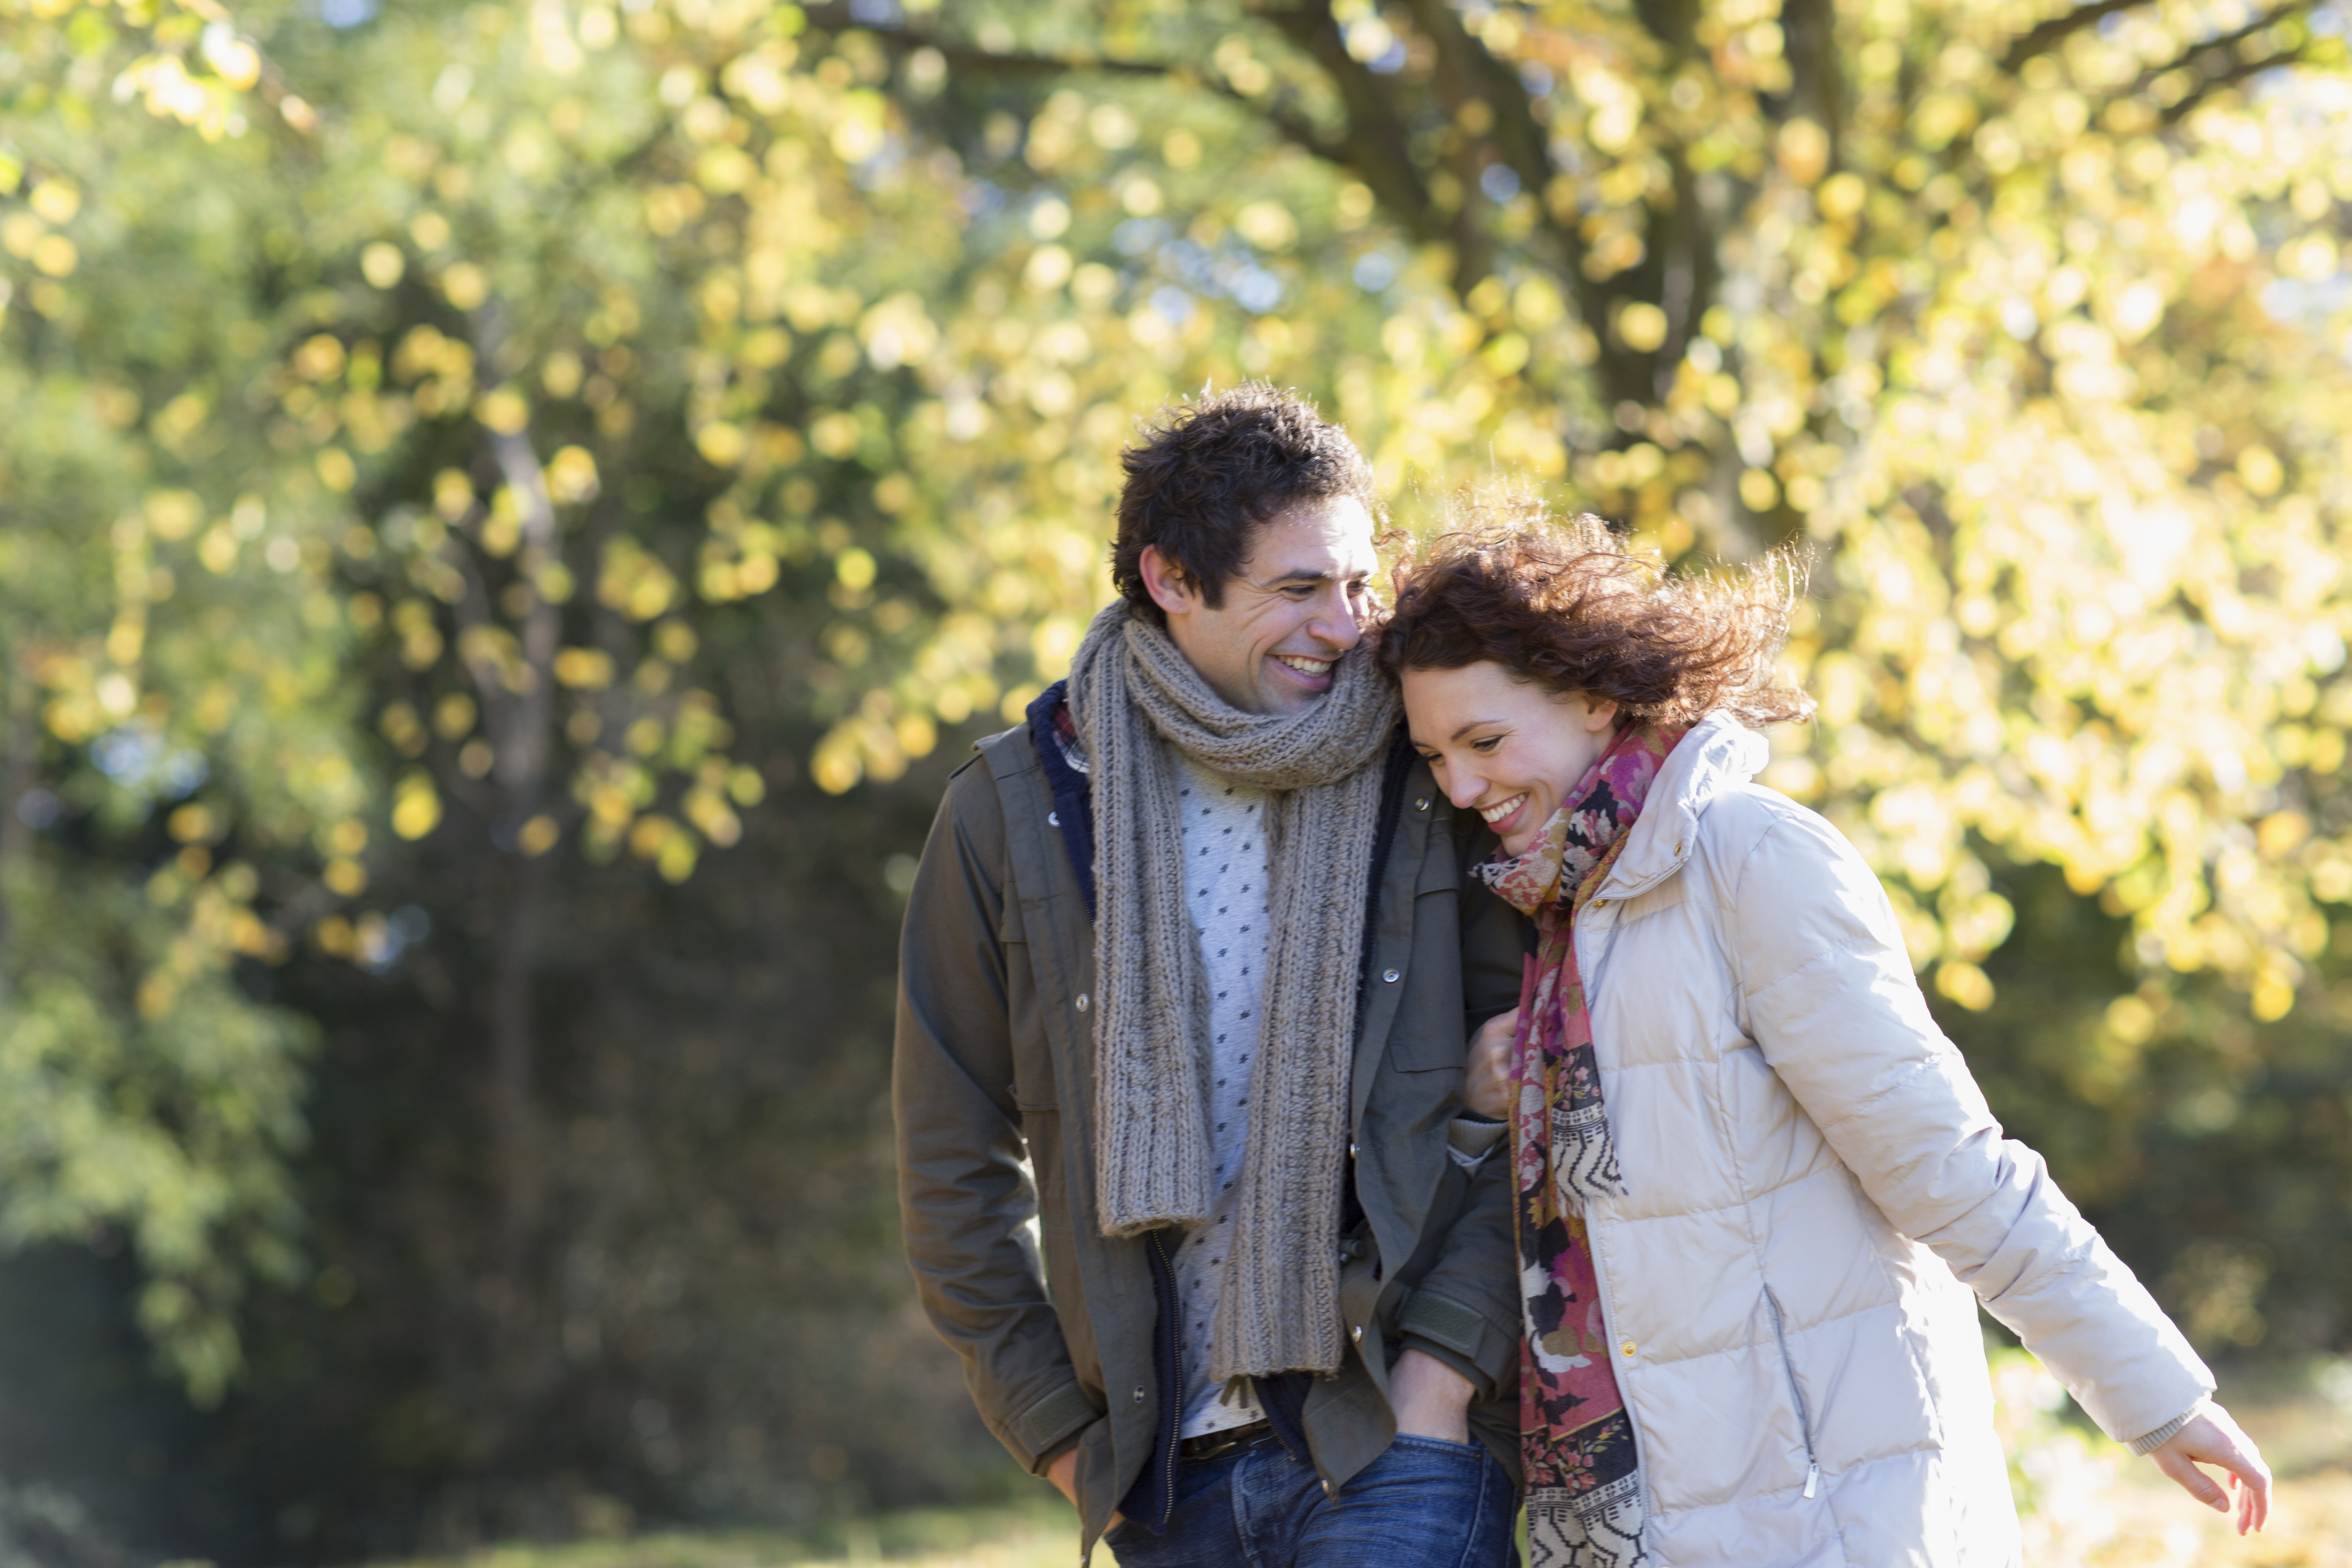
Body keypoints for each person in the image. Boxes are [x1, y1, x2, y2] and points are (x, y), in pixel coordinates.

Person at [1378, 507, 2272, 1568]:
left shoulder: (1747, 858)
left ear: (1593, 692)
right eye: (1435, 755)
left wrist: (2155, 1391)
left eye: (1483, 741)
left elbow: (1944, 1161)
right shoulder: (1560, 915)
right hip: (1663, 1525)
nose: (1462, 788)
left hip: (1833, 1514)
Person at [894, 385, 1529, 1567]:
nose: (1343, 628)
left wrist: (1441, 1378)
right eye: (1297, 590)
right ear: (1172, 581)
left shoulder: (1423, 771)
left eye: (1353, 585)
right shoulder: (1011, 811)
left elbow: (1532, 1078)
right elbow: (948, 1161)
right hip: (1163, 1482)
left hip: (1389, 1437)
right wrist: (1064, 1440)